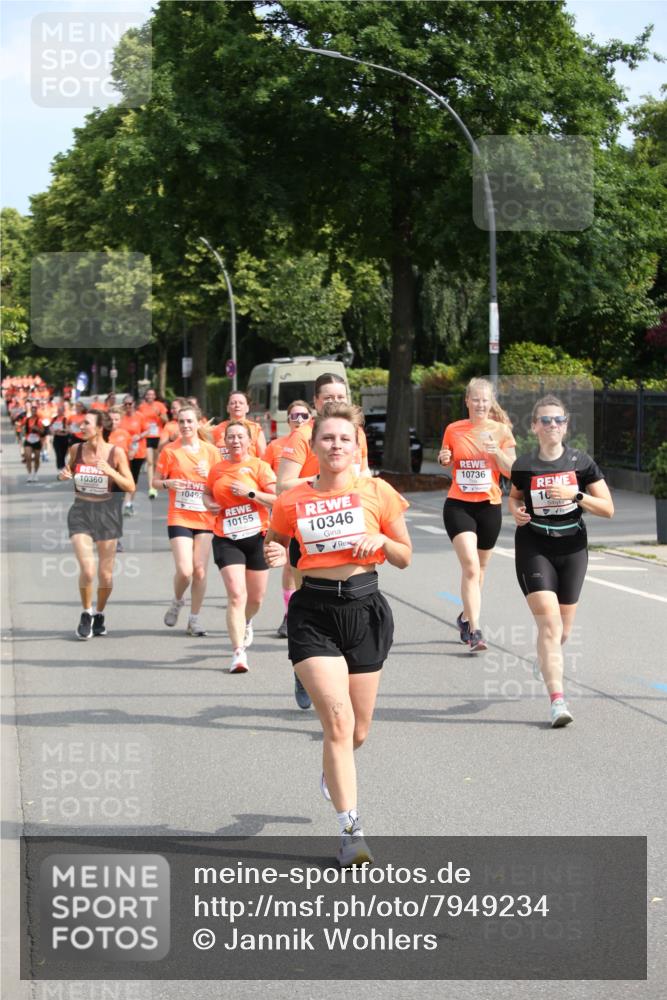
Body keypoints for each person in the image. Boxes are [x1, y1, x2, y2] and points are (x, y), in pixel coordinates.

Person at [265, 403, 411, 867]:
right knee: (338, 721)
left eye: (344, 439)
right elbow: (279, 541)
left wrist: (383, 544)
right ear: (313, 446)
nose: (336, 446)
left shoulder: (378, 492)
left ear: (356, 446)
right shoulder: (292, 499)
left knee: (359, 730)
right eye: (327, 438)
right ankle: (351, 831)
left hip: (366, 609)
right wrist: (275, 554)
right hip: (315, 613)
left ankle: (334, 767)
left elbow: (405, 555)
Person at [509, 395, 614, 728]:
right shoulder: (523, 465)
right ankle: (558, 702)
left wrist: (575, 496)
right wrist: (516, 512)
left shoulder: (580, 463)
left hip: (572, 550)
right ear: (534, 426)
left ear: (566, 425)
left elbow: (608, 508)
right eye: (545, 420)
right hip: (533, 547)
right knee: (550, 626)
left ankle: (545, 656)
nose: (552, 425)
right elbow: (513, 497)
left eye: (558, 420)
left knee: (561, 631)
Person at [277, 374, 369, 708]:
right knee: (312, 604)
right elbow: (283, 485)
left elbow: (364, 473)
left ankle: (339, 690)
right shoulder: (302, 435)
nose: (334, 402)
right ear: (316, 402)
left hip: (349, 526)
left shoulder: (355, 433)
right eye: (327, 398)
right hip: (310, 529)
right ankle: (304, 668)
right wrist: (321, 480)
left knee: (353, 604)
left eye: (340, 396)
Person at [438, 377, 516, 652]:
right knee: (471, 566)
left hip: (489, 506)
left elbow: (511, 470)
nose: (481, 404)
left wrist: (496, 454)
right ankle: (475, 630)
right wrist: (444, 459)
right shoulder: (454, 429)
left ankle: (464, 616)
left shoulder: (502, 430)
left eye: (486, 400)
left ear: (490, 402)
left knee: (480, 569)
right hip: (459, 505)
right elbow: (446, 456)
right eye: (476, 399)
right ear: (467, 401)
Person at [205, 421, 277, 673]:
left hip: (257, 537)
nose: (235, 441)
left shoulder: (260, 467)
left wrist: (251, 493)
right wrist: (208, 503)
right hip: (226, 536)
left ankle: (247, 621)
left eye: (240, 437)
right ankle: (238, 653)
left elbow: (278, 499)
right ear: (224, 441)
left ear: (249, 441)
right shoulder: (217, 470)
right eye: (230, 437)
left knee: (256, 598)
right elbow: (207, 493)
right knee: (237, 594)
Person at [58, 410, 134, 639]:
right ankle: (86, 612)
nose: (82, 427)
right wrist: (65, 475)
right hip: (81, 510)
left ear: (100, 428)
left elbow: (130, 486)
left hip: (107, 513)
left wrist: (111, 471)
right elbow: (70, 470)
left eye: (87, 424)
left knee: (106, 575)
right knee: (88, 570)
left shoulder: (116, 452)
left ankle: (99, 613)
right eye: (82, 424)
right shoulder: (76, 450)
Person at [154, 405, 220, 636]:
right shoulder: (170, 451)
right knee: (185, 570)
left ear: (198, 423)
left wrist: (209, 475)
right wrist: (168, 484)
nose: (185, 426)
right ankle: (177, 600)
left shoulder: (211, 451)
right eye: (181, 422)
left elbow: (220, 484)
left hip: (204, 517)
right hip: (180, 515)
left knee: (200, 571)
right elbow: (154, 482)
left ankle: (194, 619)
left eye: (190, 421)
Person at [263, 399, 312, 638]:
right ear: (288, 419)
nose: (299, 420)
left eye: (304, 416)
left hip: (312, 507)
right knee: (290, 563)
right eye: (295, 416)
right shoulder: (276, 446)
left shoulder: (315, 440)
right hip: (287, 507)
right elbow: (264, 476)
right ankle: (289, 613)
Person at [212, 391, 266, 461]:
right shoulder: (217, 429)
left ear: (247, 408)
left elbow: (263, 458)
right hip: (224, 470)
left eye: (241, 403)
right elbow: (210, 455)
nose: (237, 405)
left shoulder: (256, 429)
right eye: (233, 403)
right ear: (227, 408)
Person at [119, 395, 148, 515]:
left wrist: (140, 436)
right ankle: (124, 501)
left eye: (130, 404)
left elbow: (147, 430)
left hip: (137, 452)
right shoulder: (120, 417)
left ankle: (128, 503)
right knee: (122, 478)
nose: (127, 406)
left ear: (134, 404)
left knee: (132, 480)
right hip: (122, 453)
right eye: (125, 404)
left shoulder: (140, 416)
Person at [138, 388, 168, 499]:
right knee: (150, 462)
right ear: (146, 396)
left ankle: (155, 484)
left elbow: (166, 420)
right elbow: (139, 420)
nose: (150, 396)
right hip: (147, 436)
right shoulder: (142, 407)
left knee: (156, 463)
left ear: (155, 396)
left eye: (152, 394)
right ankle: (151, 487)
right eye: (148, 394)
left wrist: (159, 413)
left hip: (158, 436)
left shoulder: (160, 405)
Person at [21, 401, 47, 482]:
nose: (33, 412)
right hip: (28, 439)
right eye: (32, 410)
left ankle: (35, 474)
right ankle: (29, 475)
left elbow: (43, 431)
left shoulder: (39, 420)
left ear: (36, 412)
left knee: (37, 458)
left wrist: (37, 429)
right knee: (28, 457)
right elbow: (22, 428)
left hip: (37, 440)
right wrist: (23, 432)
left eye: (34, 411)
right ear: (30, 411)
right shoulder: (26, 419)